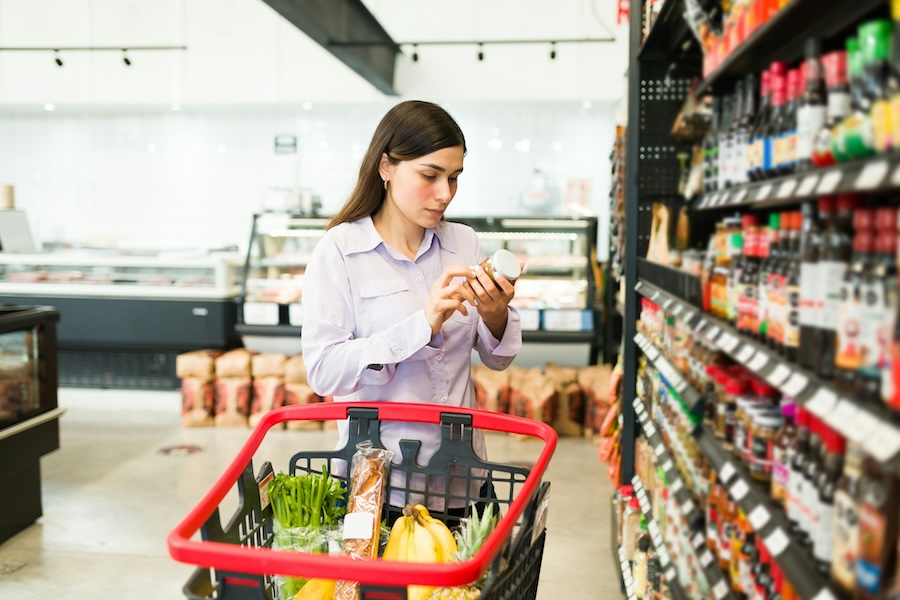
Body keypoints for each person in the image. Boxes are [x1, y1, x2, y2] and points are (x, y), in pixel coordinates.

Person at [300, 100, 522, 521]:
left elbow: (499, 358)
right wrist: (421, 324)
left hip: (463, 476)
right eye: (430, 175)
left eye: (454, 177)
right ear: (385, 166)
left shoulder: (464, 243)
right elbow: (324, 370)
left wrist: (496, 313)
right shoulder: (341, 252)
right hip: (380, 485)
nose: (446, 194)